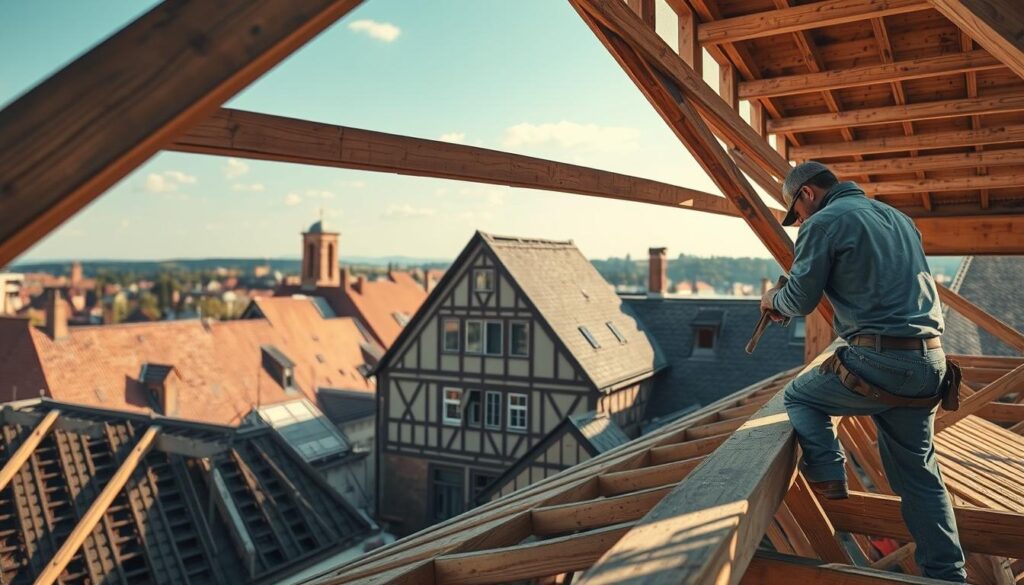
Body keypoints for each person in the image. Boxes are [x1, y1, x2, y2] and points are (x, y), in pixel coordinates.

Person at [760, 161, 966, 582]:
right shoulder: (899, 219)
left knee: (799, 396)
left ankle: (828, 470)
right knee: (921, 478)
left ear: (807, 195)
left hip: (880, 362)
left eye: (796, 212)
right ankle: (948, 574)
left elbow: (799, 300)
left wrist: (772, 300)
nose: (799, 220)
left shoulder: (822, 223)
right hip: (931, 361)